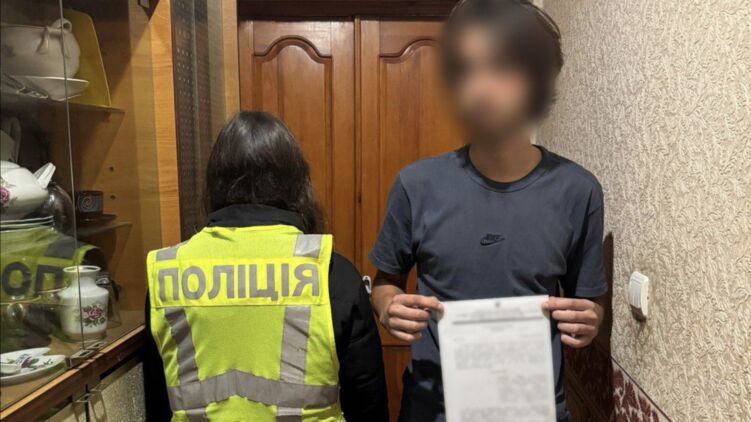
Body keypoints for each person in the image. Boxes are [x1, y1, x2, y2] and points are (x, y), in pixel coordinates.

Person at [368, 1, 607, 421]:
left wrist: (591, 322)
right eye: (467, 69)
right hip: (432, 409)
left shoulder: (577, 191)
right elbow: (385, 283)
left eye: (500, 68)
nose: (479, 88)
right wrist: (389, 307)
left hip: (532, 409)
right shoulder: (416, 185)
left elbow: (588, 303)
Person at [143, 112, 388, 421]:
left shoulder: (168, 275)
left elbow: (158, 403)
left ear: (214, 184)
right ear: (297, 184)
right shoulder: (330, 273)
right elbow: (368, 405)